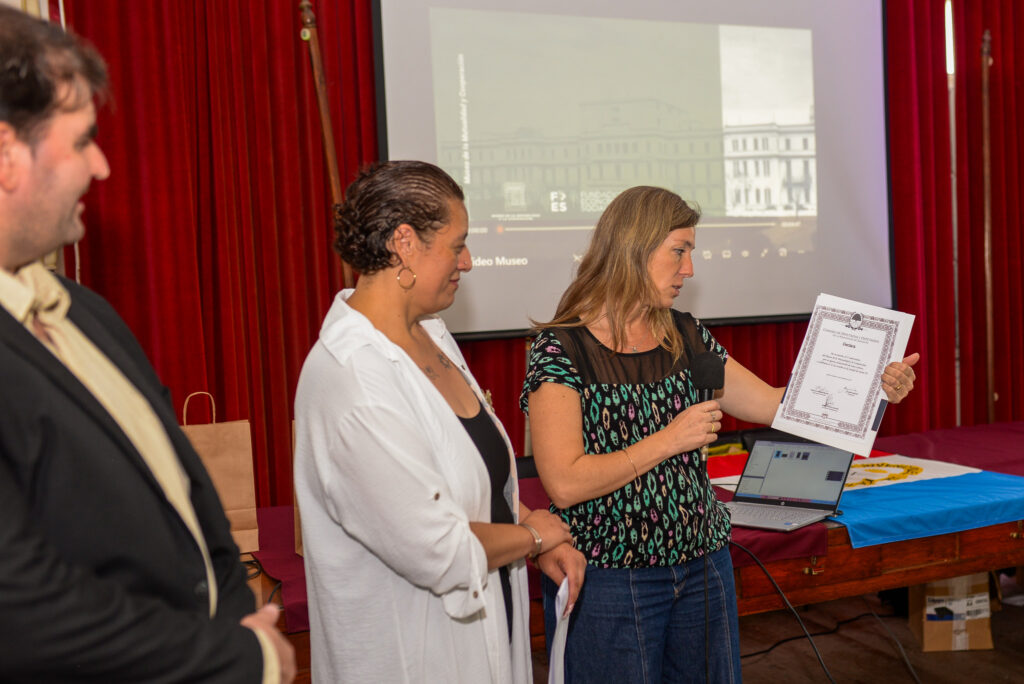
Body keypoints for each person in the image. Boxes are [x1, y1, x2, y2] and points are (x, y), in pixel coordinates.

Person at [0, 8, 294, 682]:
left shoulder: (87, 314)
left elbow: (193, 503)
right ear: (7, 155)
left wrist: (237, 619)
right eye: (82, 141)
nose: (101, 167)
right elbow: (21, 611)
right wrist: (239, 656)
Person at [521, 186, 919, 683]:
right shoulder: (560, 350)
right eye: (679, 251)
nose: (689, 269)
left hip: (702, 567)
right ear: (633, 249)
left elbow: (775, 404)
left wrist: (871, 387)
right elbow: (564, 483)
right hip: (609, 577)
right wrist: (668, 439)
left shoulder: (685, 335)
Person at [293, 160, 587, 683]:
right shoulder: (353, 379)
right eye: (458, 245)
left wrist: (533, 532)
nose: (467, 261)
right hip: (411, 658)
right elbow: (440, 550)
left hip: (487, 631)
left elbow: (471, 478)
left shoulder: (431, 333)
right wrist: (532, 537)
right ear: (405, 243)